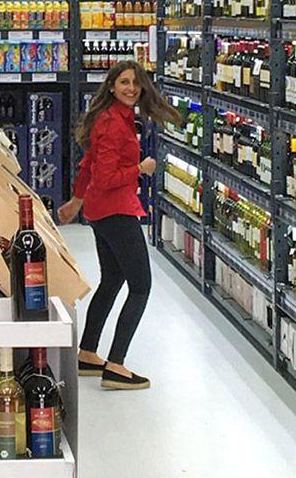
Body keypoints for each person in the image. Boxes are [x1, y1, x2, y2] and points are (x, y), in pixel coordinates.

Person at [57, 60, 180, 390]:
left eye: (136, 83)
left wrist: (76, 201)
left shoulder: (112, 117)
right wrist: (140, 168)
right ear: (111, 85)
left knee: (112, 280)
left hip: (100, 210)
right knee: (141, 286)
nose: (131, 88)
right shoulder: (114, 124)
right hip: (116, 211)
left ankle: (87, 353)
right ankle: (116, 366)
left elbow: (88, 165)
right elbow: (106, 177)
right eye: (124, 82)